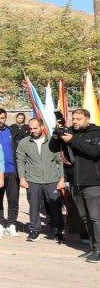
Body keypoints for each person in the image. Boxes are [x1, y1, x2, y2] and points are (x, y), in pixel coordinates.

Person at [49, 109, 100, 262]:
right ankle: (94, 247)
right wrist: (56, 136)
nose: (75, 121)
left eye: (79, 118)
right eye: (73, 118)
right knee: (85, 218)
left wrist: (71, 140)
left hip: (92, 182)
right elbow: (52, 148)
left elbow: (94, 151)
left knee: (96, 218)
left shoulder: (96, 132)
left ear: (87, 119)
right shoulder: (69, 131)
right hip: (74, 182)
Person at [15, 116, 66, 243]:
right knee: (34, 207)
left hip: (52, 180)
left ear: (42, 127)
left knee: (55, 207)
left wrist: (62, 179)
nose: (32, 130)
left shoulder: (52, 141)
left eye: (35, 128)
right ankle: (34, 231)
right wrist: (22, 178)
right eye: (30, 128)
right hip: (33, 180)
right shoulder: (24, 142)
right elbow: (20, 161)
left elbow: (61, 161)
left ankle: (57, 232)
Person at [0, 108, 23, 236]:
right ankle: (0, 223)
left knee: (13, 200)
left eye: (2, 118)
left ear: (6, 118)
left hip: (12, 171)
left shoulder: (13, 132)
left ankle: (12, 224)